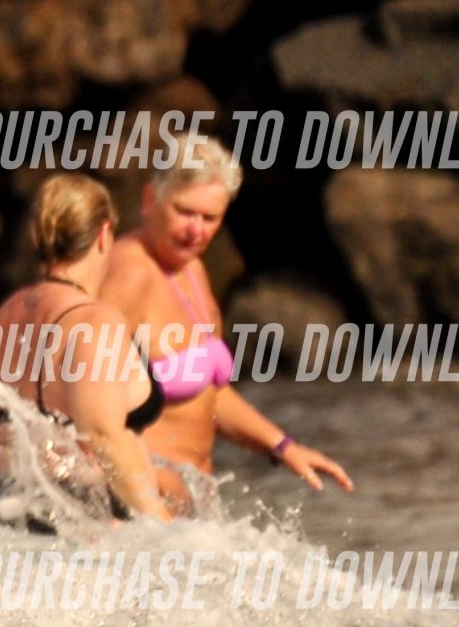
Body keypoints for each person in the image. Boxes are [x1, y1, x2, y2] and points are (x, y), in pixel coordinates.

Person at [103, 134, 353, 494]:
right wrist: (137, 499)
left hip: (190, 504)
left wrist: (283, 447)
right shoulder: (130, 271)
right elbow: (77, 385)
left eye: (210, 217)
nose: (196, 230)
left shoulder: (192, 270)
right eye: (185, 212)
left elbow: (211, 394)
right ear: (150, 200)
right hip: (144, 505)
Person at [0, 174, 172, 532]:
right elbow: (103, 436)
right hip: (68, 512)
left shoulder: (6, 313)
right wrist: (167, 529)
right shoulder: (94, 321)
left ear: (35, 237)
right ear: (104, 235)